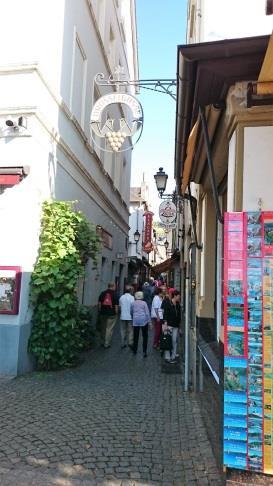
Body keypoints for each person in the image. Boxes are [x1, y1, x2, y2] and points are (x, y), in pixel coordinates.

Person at [98, 282, 119, 348]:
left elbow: (99, 304)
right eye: (115, 286)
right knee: (109, 329)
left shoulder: (102, 293)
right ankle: (106, 343)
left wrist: (100, 311)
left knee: (103, 328)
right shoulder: (115, 295)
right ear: (113, 286)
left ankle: (102, 342)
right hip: (111, 314)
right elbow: (116, 306)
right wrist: (116, 313)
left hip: (103, 313)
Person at [162, 290, 181, 363]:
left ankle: (173, 356)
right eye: (179, 296)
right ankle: (167, 357)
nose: (179, 297)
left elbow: (179, 316)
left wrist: (180, 327)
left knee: (174, 341)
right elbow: (165, 314)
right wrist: (165, 324)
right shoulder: (168, 303)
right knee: (168, 341)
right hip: (169, 325)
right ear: (175, 296)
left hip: (176, 325)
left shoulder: (178, 304)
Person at [131, 291, 151, 357]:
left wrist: (133, 317)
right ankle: (144, 351)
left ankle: (134, 350)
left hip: (136, 321)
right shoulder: (144, 303)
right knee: (145, 336)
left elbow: (131, 311)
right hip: (143, 321)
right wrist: (149, 322)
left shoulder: (133, 303)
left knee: (135, 336)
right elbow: (147, 313)